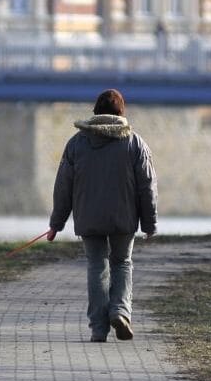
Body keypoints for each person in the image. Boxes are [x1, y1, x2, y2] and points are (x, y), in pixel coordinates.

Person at [47, 89, 158, 342]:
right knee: (122, 263)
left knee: (97, 266)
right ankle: (120, 311)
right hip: (123, 218)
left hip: (89, 218)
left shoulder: (76, 143)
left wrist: (56, 223)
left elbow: (64, 186)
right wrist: (150, 223)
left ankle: (99, 328)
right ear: (122, 112)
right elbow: (147, 185)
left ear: (95, 112)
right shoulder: (134, 143)